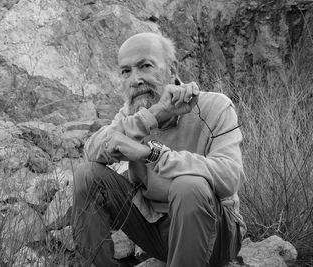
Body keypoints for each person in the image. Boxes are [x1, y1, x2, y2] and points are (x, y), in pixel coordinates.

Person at [72, 32, 246, 267]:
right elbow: (92, 151)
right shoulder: (132, 113)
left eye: (145, 66)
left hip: (215, 235)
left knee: (189, 186)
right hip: (157, 233)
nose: (135, 79)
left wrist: (152, 155)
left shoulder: (215, 106)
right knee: (87, 175)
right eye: (126, 71)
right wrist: (152, 116)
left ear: (172, 69)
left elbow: (230, 177)